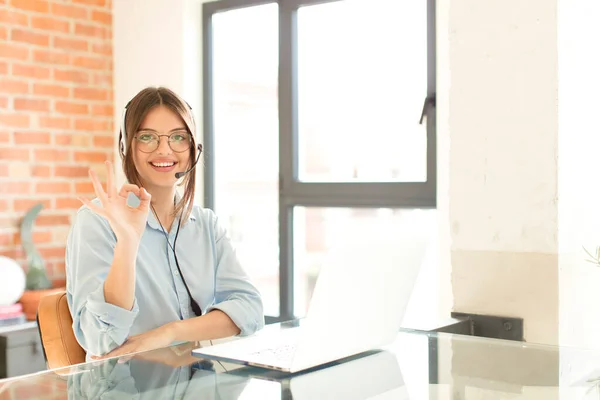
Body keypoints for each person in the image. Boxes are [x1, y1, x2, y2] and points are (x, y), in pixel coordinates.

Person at [65, 86, 264, 360]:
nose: (164, 150)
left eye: (178, 137)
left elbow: (250, 309)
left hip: (197, 383)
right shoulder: (97, 221)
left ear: (194, 148)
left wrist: (170, 332)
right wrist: (128, 242)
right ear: (126, 146)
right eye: (147, 137)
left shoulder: (205, 224)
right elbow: (99, 340)